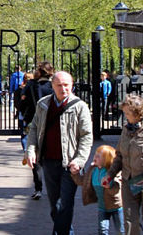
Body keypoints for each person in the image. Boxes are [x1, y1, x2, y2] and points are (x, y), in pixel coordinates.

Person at [24, 71, 93, 235]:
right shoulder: (43, 104)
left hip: (70, 164)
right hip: (49, 162)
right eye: (59, 85)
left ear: (72, 86)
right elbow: (34, 128)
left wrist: (80, 160)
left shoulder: (79, 106)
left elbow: (86, 136)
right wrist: (31, 150)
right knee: (55, 205)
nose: (63, 89)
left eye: (66, 85)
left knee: (64, 204)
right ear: (52, 86)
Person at [104, 94, 143, 235]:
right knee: (130, 221)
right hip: (129, 180)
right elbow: (119, 155)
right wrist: (110, 174)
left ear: (138, 113)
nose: (125, 116)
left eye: (127, 113)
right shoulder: (127, 129)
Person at [20, 61, 55, 200]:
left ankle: (38, 188)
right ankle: (53, 187)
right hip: (51, 123)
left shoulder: (31, 85)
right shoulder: (53, 86)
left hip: (34, 122)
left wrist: (25, 115)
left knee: (35, 156)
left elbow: (22, 103)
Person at [80, 145, 124, 235]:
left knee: (121, 231)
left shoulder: (113, 172)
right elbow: (83, 181)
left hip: (117, 207)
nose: (94, 157)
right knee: (102, 230)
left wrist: (109, 187)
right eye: (95, 154)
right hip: (102, 207)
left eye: (98, 156)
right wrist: (75, 174)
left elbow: (117, 189)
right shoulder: (93, 170)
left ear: (106, 160)